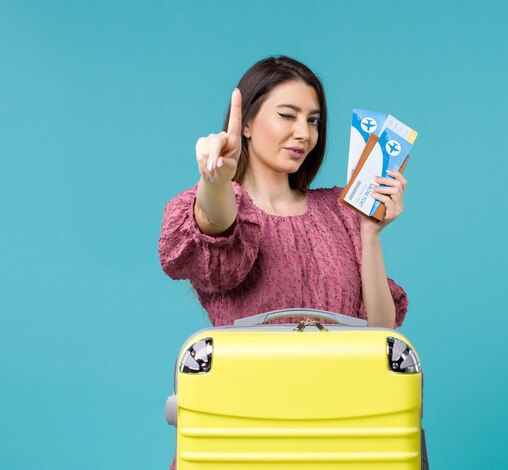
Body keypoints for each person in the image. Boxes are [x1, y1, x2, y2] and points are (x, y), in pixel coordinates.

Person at [158, 55, 410, 469]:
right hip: (243, 437)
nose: (302, 133)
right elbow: (215, 223)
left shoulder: (341, 211)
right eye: (287, 115)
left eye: (313, 120)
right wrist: (216, 181)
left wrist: (370, 234)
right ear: (246, 124)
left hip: (340, 437)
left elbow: (378, 337)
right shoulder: (227, 205)